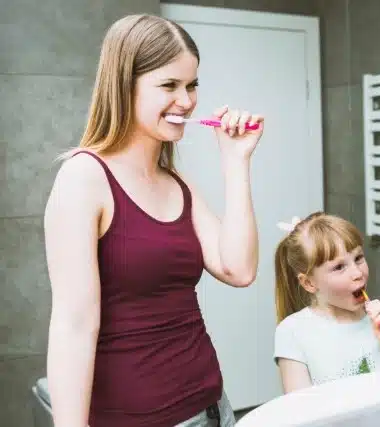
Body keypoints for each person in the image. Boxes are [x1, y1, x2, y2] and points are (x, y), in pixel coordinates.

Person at [43, 14, 263, 427]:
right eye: (169, 86)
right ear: (124, 85)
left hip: (213, 407)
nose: (187, 100)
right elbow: (73, 327)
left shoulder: (176, 181)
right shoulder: (84, 178)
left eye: (192, 84)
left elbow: (239, 268)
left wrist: (236, 163)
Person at [272, 212, 380, 394]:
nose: (357, 273)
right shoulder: (293, 332)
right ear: (309, 283)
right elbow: (300, 412)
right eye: (339, 267)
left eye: (358, 258)